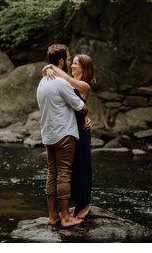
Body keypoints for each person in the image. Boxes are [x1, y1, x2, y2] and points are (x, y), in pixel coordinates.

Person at [36, 44, 87, 228]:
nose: (69, 62)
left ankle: (52, 216)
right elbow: (81, 107)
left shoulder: (42, 82)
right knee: (64, 175)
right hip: (64, 134)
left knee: (52, 174)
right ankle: (66, 217)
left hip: (48, 135)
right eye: (68, 58)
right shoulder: (61, 82)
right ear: (61, 61)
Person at [43, 53, 97, 222]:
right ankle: (69, 208)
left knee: (82, 167)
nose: (72, 66)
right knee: (69, 170)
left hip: (80, 130)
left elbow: (69, 83)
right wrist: (47, 68)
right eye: (71, 62)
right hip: (69, 128)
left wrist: (51, 67)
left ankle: (83, 205)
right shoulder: (65, 81)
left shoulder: (84, 85)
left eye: (76, 64)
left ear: (84, 69)